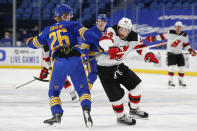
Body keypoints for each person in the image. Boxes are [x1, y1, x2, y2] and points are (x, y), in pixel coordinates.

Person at [25, 4, 100, 127]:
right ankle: (86, 110)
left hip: (59, 63)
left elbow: (33, 44)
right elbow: (88, 35)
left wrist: (28, 41)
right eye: (69, 14)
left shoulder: (47, 30)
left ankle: (57, 115)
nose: (71, 16)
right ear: (64, 15)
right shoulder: (73, 24)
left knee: (53, 92)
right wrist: (103, 43)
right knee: (83, 90)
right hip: (75, 59)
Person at [96, 17, 159, 125]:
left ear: (129, 30)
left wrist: (148, 54)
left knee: (136, 86)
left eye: (126, 31)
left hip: (119, 66)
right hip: (104, 69)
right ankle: (120, 117)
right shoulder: (111, 30)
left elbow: (141, 47)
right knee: (116, 99)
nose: (123, 33)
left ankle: (134, 110)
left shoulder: (134, 36)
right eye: (121, 30)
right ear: (118, 27)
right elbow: (104, 40)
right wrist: (110, 47)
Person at [145, 21, 196, 88]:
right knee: (172, 68)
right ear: (175, 27)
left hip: (179, 53)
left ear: (181, 27)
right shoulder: (170, 32)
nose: (178, 28)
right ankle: (170, 81)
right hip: (171, 53)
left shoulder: (184, 35)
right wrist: (153, 38)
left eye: (180, 27)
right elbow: (162, 36)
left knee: (182, 68)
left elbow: (186, 45)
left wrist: (191, 50)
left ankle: (181, 81)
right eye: (177, 27)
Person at [81, 14, 108, 89]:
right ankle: (84, 92)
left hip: (103, 58)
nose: (100, 23)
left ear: (106, 23)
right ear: (96, 22)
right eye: (99, 21)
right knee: (92, 76)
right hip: (92, 57)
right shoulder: (91, 32)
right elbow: (84, 46)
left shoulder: (109, 32)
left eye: (103, 21)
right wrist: (84, 56)